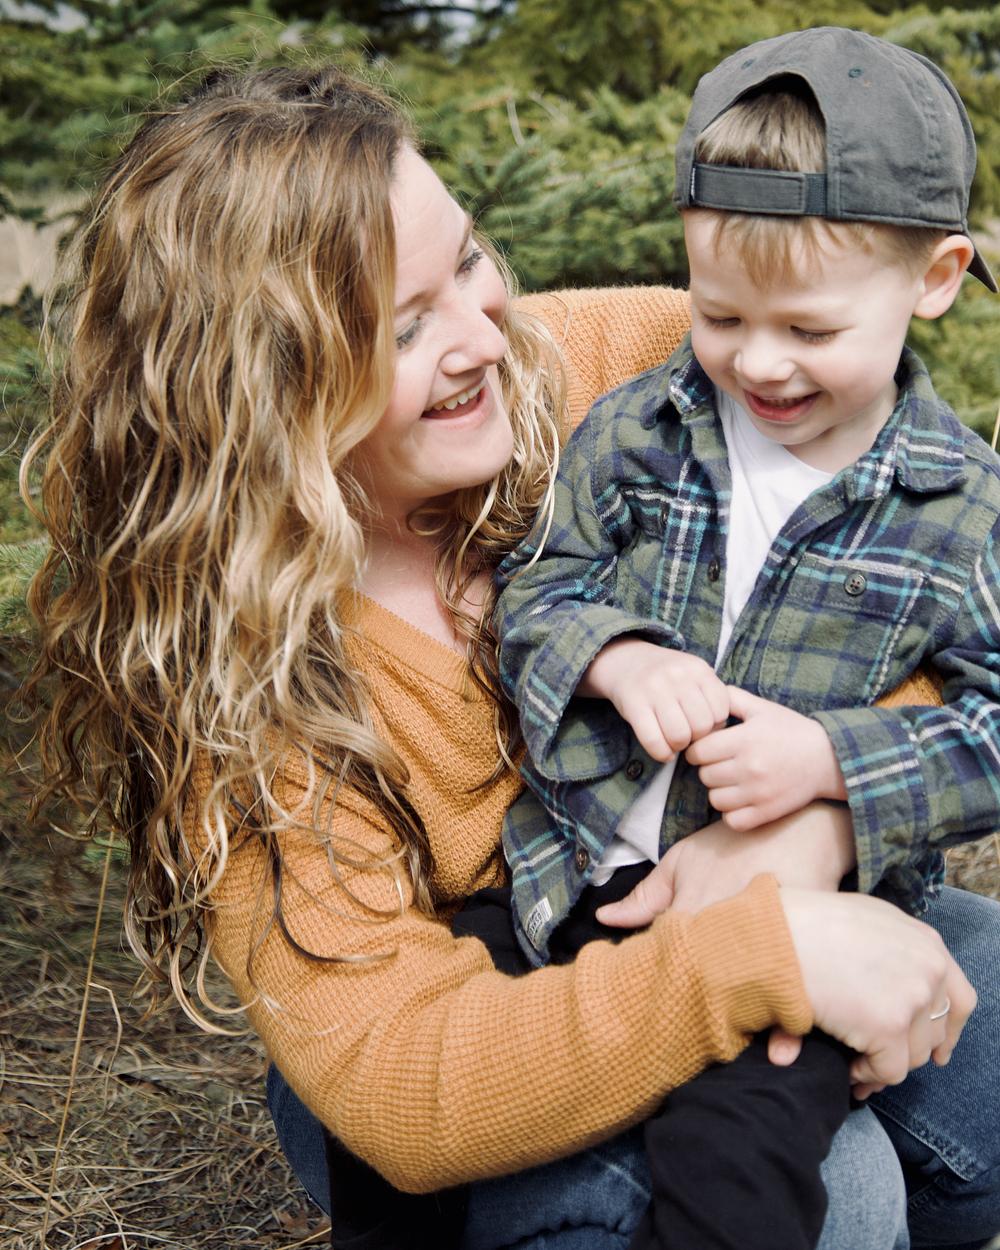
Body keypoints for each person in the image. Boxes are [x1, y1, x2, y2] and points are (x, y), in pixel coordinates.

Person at [20, 62, 996, 1250]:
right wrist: (751, 955)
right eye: (406, 326)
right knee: (836, 1193)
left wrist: (817, 816)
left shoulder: (643, 369)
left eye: (470, 260)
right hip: (485, 1024)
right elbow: (399, 1069)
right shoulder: (237, 673)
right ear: (260, 388)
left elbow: (908, 559)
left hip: (730, 874)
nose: (486, 335)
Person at [495, 27, 1000, 1250]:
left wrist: (831, 764)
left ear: (935, 277)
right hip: (581, 878)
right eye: (719, 313)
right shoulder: (638, 429)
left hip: (801, 930)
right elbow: (532, 583)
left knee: (742, 1157)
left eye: (809, 330)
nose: (757, 362)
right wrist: (616, 653)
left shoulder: (961, 505)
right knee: (455, 1141)